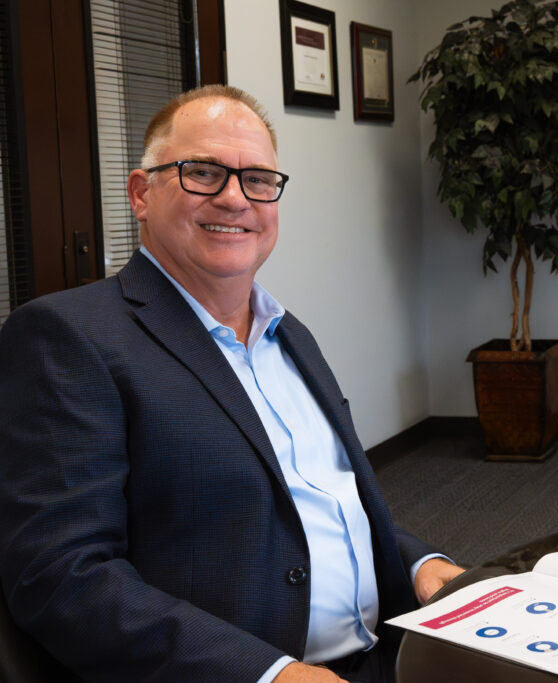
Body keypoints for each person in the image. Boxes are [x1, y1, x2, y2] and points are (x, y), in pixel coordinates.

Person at [0, 85, 462, 682]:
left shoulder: (288, 333)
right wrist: (269, 673)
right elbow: (62, 575)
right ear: (142, 194)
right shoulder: (68, 338)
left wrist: (420, 563)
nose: (235, 199)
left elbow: (319, 499)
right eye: (203, 173)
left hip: (382, 653)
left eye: (258, 180)